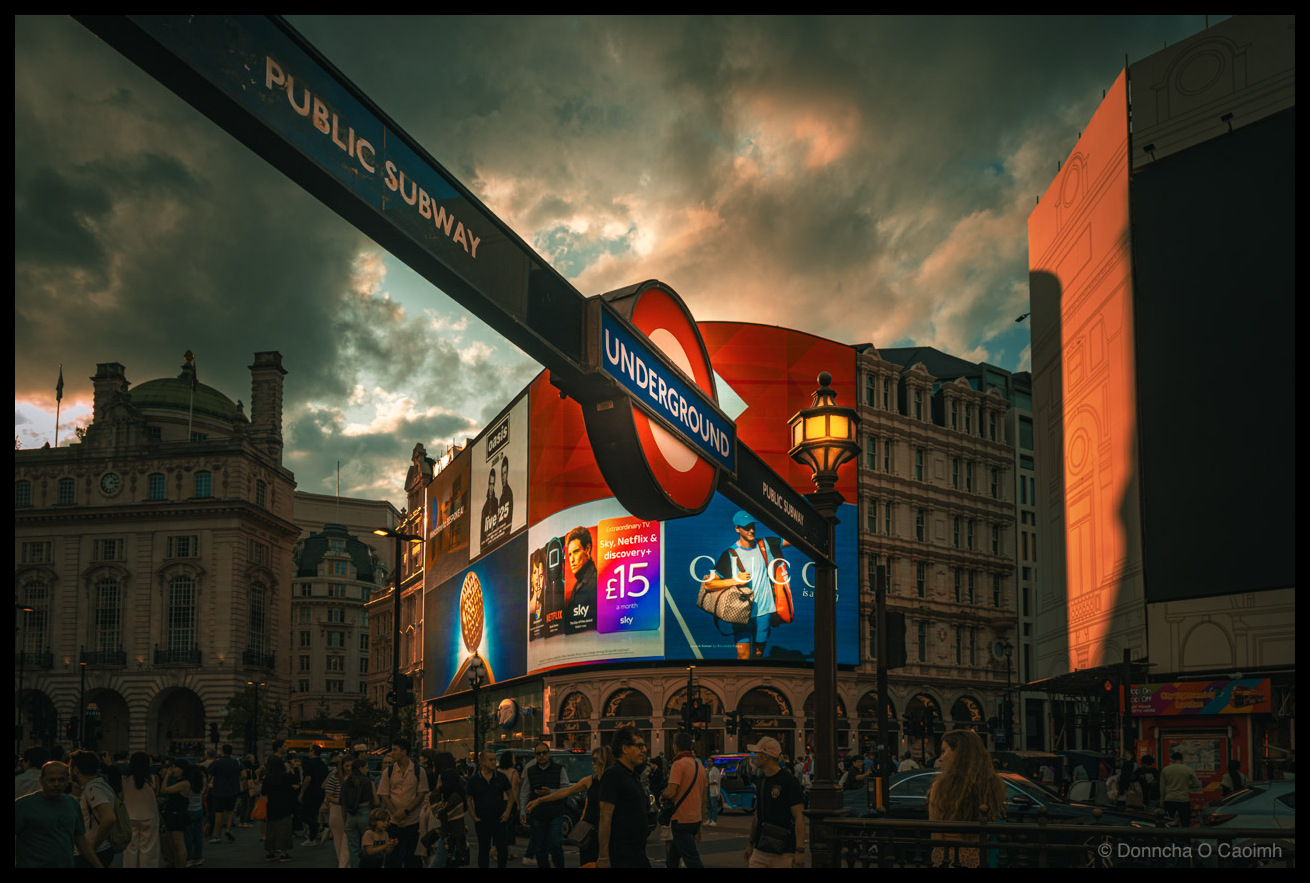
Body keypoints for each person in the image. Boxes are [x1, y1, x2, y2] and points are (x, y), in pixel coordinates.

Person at [701, 511, 791, 659]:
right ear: (737, 529)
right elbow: (708, 585)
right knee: (742, 656)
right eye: (746, 527)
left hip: (765, 612)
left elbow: (793, 540)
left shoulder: (765, 544)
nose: (751, 530)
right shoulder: (729, 554)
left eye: (753, 526)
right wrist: (736, 580)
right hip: (741, 614)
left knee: (758, 654)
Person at [926, 729, 1007, 868]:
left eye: (944, 751)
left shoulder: (942, 787)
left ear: (958, 753)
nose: (941, 757)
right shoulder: (992, 784)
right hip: (977, 856)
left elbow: (936, 832)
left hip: (948, 856)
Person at [526, 745, 614, 868]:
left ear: (604, 761)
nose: (592, 763)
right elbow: (565, 792)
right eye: (591, 759)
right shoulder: (589, 780)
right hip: (589, 833)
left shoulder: (614, 781)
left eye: (595, 760)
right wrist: (540, 800)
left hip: (608, 832)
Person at [15, 761, 104, 868]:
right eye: (51, 780)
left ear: (68, 781)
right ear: (41, 781)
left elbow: (81, 840)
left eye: (61, 780)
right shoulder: (23, 805)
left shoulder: (72, 804)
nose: (56, 784)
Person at [742, 736, 805, 868]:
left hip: (783, 851)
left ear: (766, 756)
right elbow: (758, 816)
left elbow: (799, 816)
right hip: (760, 848)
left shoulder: (789, 782)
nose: (754, 756)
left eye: (757, 753)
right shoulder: (761, 780)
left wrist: (799, 850)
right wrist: (750, 844)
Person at [598, 726, 651, 868]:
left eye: (644, 746)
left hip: (637, 854)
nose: (644, 750)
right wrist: (603, 857)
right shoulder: (613, 775)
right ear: (625, 749)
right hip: (622, 856)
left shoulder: (631, 775)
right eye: (639, 746)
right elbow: (605, 817)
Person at [377, 736, 428, 867]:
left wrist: (406, 811)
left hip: (413, 821)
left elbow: (421, 794)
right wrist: (396, 814)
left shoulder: (418, 771)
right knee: (392, 857)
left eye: (395, 750)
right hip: (393, 822)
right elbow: (384, 795)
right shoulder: (388, 772)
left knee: (413, 857)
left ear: (404, 752)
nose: (392, 753)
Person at [519, 740, 570, 867]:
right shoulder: (531, 770)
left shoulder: (559, 769)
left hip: (555, 813)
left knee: (555, 844)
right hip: (538, 814)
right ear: (535, 755)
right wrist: (523, 811)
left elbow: (566, 789)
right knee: (540, 848)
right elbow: (525, 792)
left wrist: (551, 792)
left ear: (549, 754)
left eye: (544, 753)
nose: (541, 756)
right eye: (538, 753)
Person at [663, 732, 707, 868]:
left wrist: (662, 794)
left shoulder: (678, 764)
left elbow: (671, 792)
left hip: (681, 820)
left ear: (675, 747)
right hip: (695, 819)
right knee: (672, 859)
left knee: (692, 860)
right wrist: (700, 824)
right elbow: (703, 797)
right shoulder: (699, 766)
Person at [68, 750, 117, 869]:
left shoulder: (92, 789)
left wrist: (92, 847)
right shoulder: (101, 785)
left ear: (75, 770)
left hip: (92, 850)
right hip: (103, 848)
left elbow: (109, 818)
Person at [467, 750, 514, 868]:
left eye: (494, 759)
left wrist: (507, 811)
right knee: (483, 849)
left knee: (502, 849)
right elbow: (468, 798)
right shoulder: (474, 779)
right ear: (482, 761)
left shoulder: (501, 777)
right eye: (490, 760)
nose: (494, 762)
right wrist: (473, 816)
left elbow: (511, 794)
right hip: (482, 819)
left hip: (499, 818)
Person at [122, 751, 160, 868]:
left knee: (130, 849)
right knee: (148, 849)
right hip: (149, 816)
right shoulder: (153, 778)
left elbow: (122, 796)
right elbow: (156, 796)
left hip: (129, 816)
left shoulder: (125, 779)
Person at [341, 757, 379, 868]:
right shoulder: (368, 782)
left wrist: (345, 821)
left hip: (350, 816)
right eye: (366, 767)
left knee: (353, 849)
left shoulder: (346, 783)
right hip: (365, 813)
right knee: (368, 846)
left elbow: (342, 804)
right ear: (361, 768)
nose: (367, 770)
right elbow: (376, 802)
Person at [261, 754, 296, 862]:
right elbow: (294, 782)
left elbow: (263, 792)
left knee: (271, 829)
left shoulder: (267, 778)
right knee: (284, 830)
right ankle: (283, 853)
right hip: (285, 805)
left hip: (271, 806)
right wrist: (293, 768)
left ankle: (269, 852)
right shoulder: (285, 776)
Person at [563, 525, 598, 634]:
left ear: (587, 550)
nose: (571, 560)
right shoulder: (579, 583)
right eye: (569, 554)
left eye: (576, 551)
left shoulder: (596, 581)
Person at [207, 743, 242, 844]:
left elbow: (209, 777)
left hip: (219, 791)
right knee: (230, 811)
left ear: (222, 751)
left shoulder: (217, 763)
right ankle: (228, 829)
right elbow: (244, 774)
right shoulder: (236, 762)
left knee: (218, 813)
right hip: (233, 790)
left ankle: (217, 835)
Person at [299, 743, 329, 846]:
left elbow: (308, 778)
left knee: (304, 814)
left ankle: (314, 835)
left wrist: (302, 792)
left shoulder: (309, 763)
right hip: (320, 792)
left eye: (310, 750)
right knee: (314, 814)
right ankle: (318, 832)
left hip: (310, 792)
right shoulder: (323, 764)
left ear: (313, 752)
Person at [1161, 750, 1201, 827]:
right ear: (1182, 759)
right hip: (1183, 799)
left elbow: (1162, 787)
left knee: (1168, 822)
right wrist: (1187, 786)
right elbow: (1197, 784)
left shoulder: (1165, 770)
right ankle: (1185, 838)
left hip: (1169, 799)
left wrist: (1162, 800)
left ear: (1172, 760)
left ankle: (1170, 838)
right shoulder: (1188, 769)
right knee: (1185, 821)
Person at [706, 760, 722, 826]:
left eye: (710, 761)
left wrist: (709, 783)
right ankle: (709, 819)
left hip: (713, 789)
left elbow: (716, 780)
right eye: (708, 761)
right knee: (708, 805)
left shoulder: (715, 770)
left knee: (713, 805)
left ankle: (714, 820)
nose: (709, 763)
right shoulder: (706, 770)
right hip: (707, 789)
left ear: (713, 763)